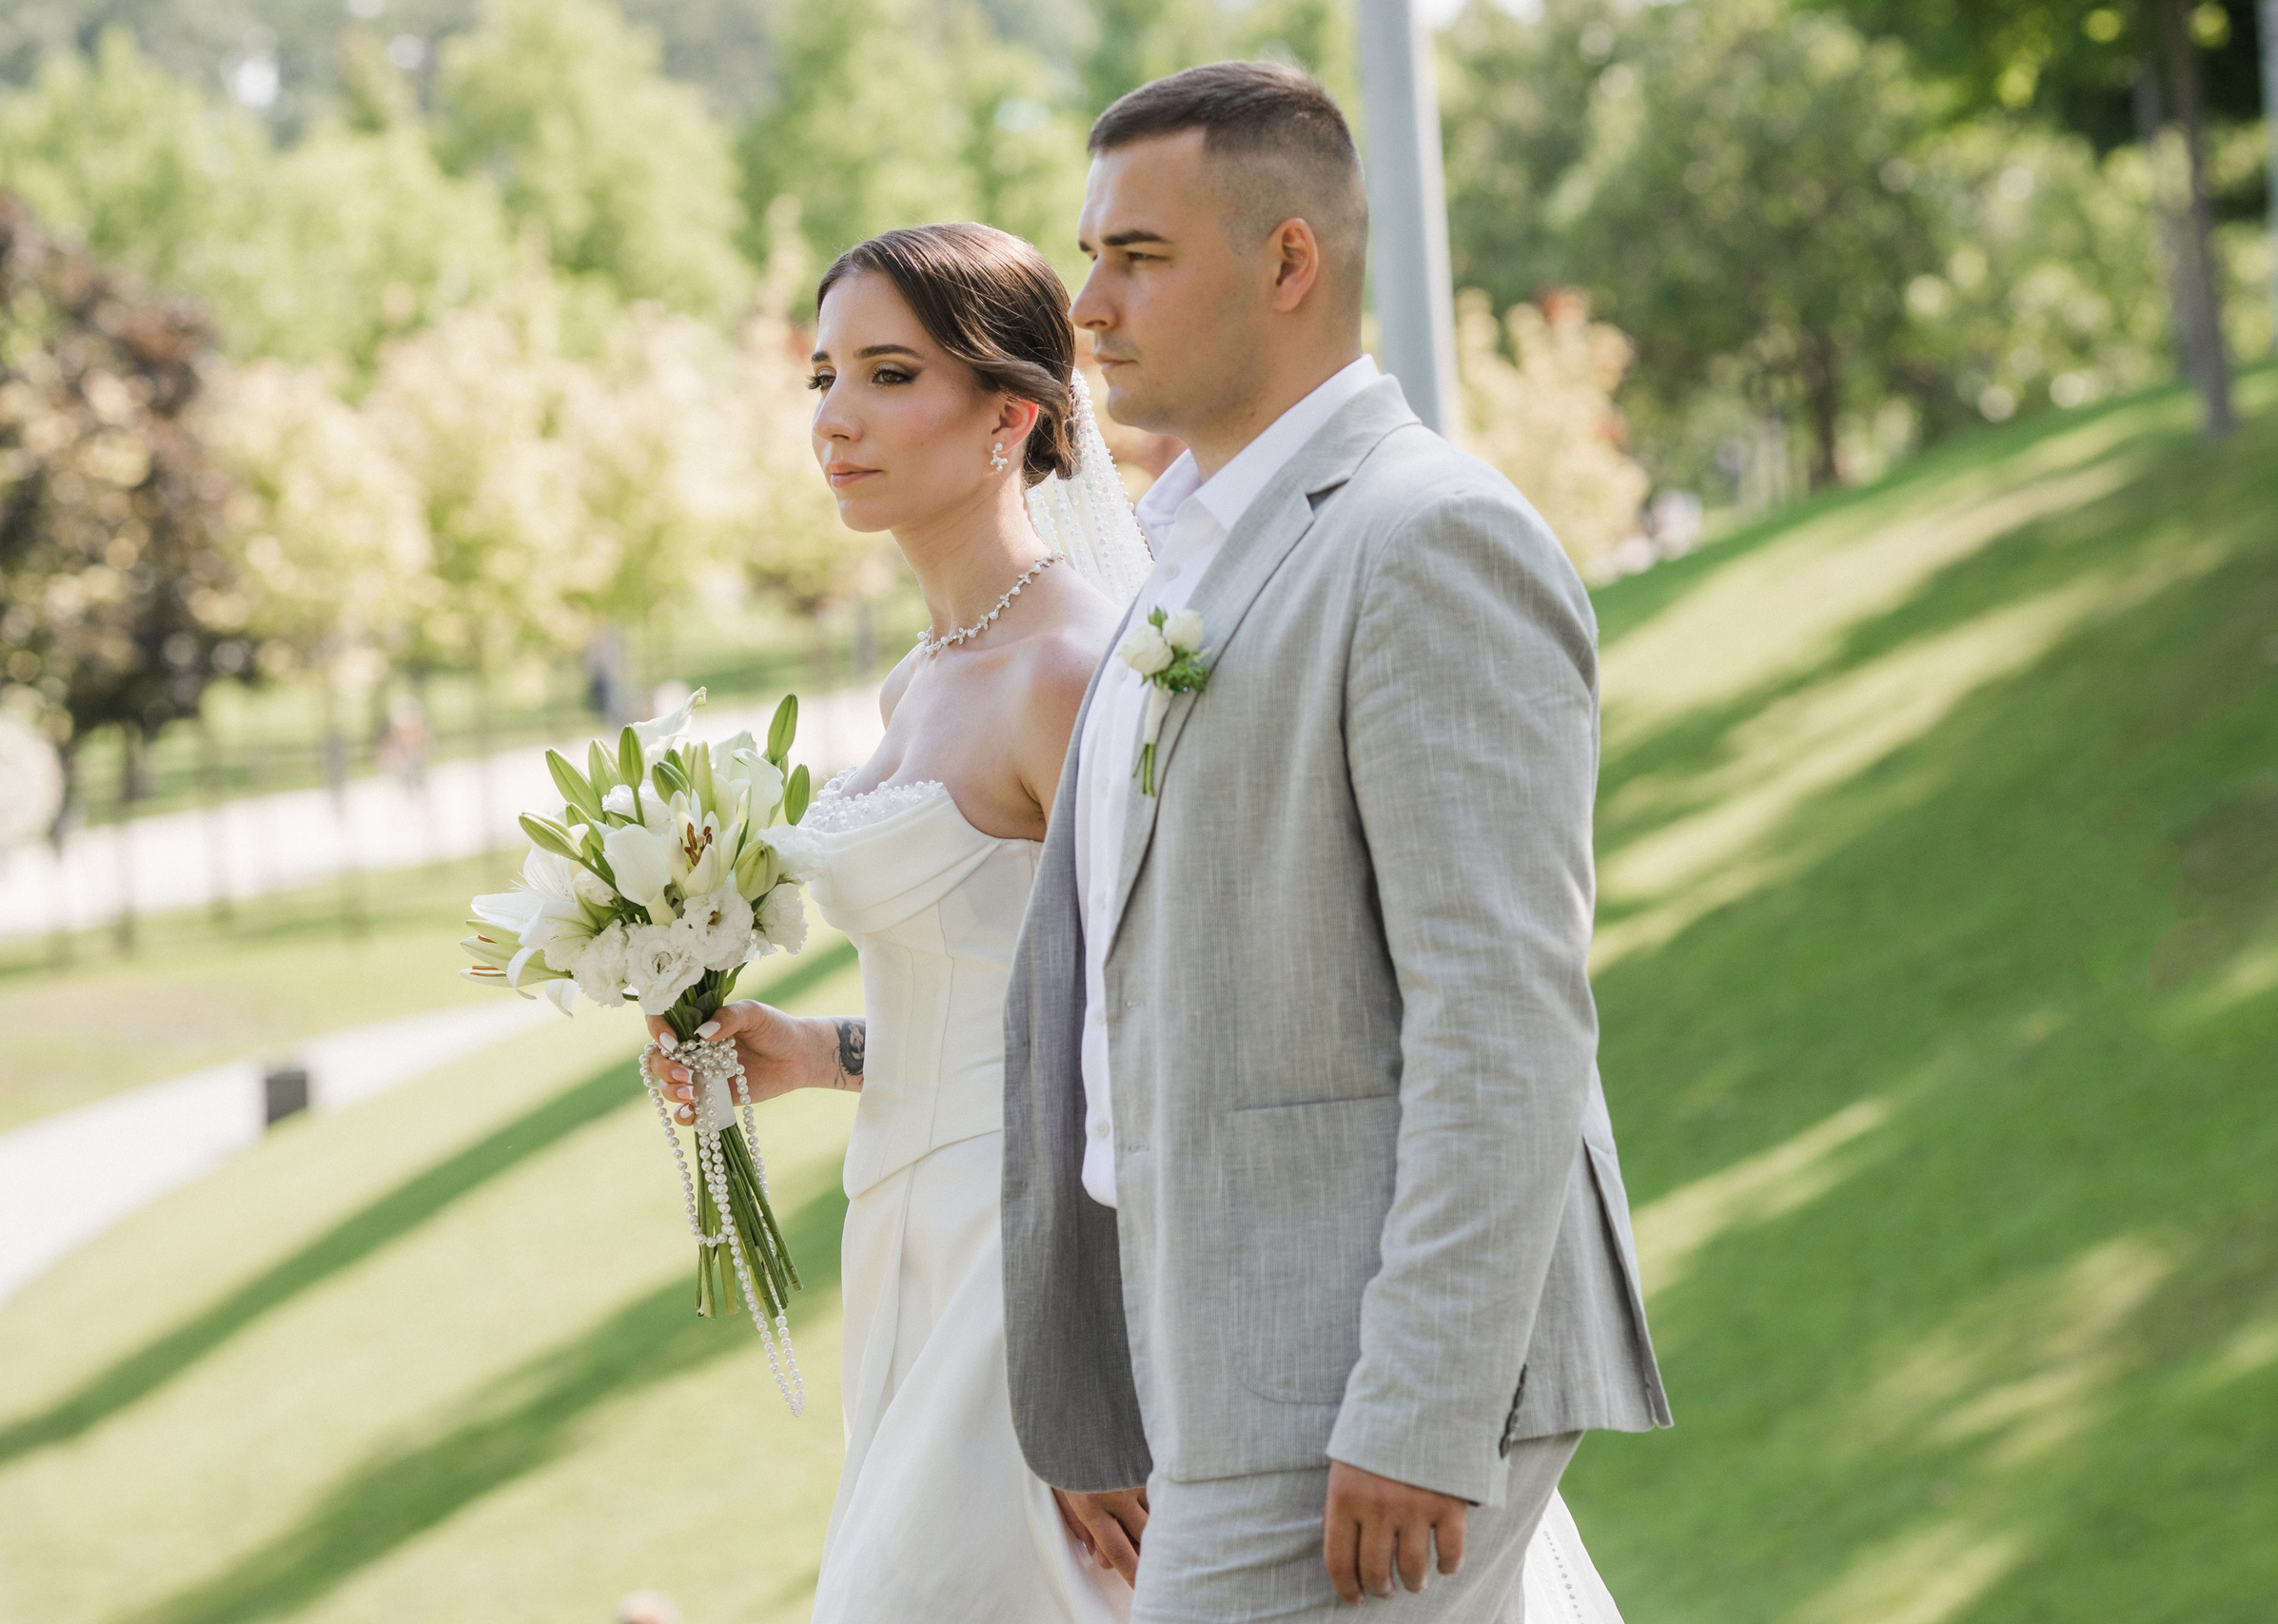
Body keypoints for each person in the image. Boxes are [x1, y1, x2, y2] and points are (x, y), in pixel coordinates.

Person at [998, 62, 1669, 1623]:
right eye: (1090, 253)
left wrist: (1423, 1402)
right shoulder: (1182, 560)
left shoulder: (1425, 535)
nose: (1088, 304)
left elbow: (1504, 1011)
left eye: (1137, 258)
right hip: (1218, 1365)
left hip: (1356, 1380)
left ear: (1289, 261)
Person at [648, 222, 1145, 1620]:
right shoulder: (917, 683)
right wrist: (811, 1053)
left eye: (885, 375)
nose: (835, 420)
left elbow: (1145, 1029)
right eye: (821, 377)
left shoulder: (1066, 671)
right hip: (904, 1234)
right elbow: (1004, 996)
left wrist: (1094, 1381)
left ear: (1013, 416)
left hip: (1031, 1266)